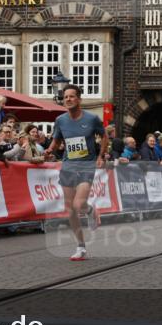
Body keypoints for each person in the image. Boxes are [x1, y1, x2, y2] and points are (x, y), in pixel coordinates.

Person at [45, 84, 108, 261]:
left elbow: (104, 136)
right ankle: (81, 247)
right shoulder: (60, 120)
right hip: (68, 166)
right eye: (65, 97)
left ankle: (89, 210)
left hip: (86, 165)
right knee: (70, 209)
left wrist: (101, 155)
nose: (68, 99)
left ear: (79, 99)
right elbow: (56, 141)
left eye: (72, 96)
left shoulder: (92, 118)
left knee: (78, 204)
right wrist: (49, 150)